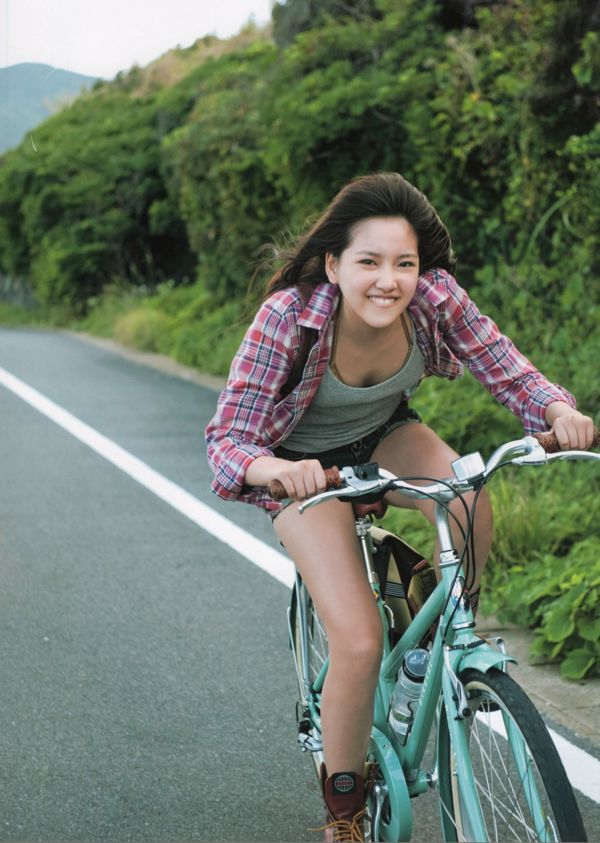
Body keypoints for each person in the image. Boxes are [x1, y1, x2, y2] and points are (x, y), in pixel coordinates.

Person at [205, 172, 594, 841]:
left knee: (469, 495)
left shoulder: (434, 298)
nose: (389, 279)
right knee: (357, 639)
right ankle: (345, 813)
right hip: (306, 469)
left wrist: (557, 409)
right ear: (334, 264)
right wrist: (279, 469)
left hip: (385, 436)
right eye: (369, 262)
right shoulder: (287, 317)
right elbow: (227, 439)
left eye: (404, 263)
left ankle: (444, 641)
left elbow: (507, 368)